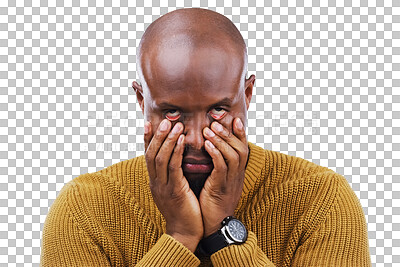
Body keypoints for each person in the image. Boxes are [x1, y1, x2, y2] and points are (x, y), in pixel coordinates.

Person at [40, 7, 371, 266]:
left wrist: (224, 233)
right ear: (142, 101)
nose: (197, 139)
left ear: (248, 93)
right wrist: (180, 237)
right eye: (172, 113)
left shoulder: (321, 200)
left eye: (218, 111)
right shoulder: (83, 208)